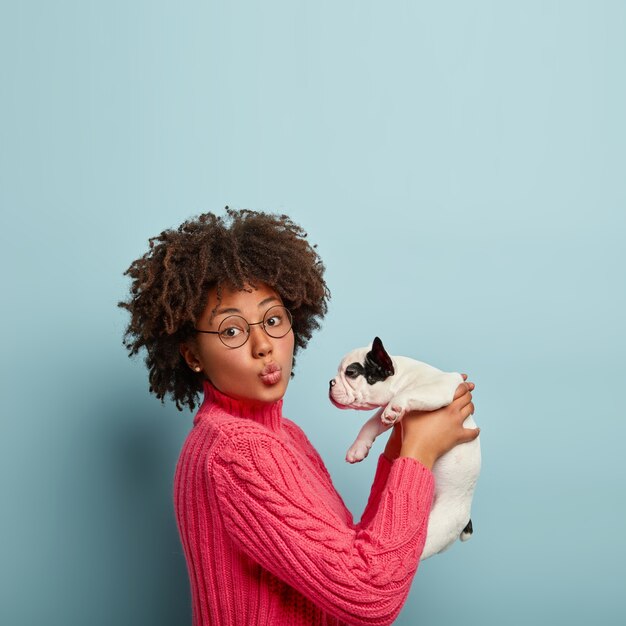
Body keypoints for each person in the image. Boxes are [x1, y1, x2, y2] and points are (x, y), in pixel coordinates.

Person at [119, 208, 479, 626]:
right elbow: (369, 594)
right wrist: (419, 455)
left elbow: (356, 554)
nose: (263, 345)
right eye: (232, 331)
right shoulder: (239, 451)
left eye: (273, 320)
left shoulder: (281, 436)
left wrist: (403, 445)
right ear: (192, 355)